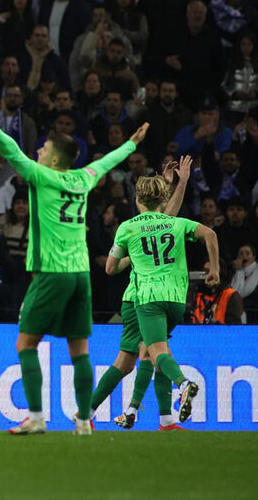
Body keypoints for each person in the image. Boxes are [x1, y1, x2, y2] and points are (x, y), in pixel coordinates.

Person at [0, 99, 149, 435]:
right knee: (79, 349)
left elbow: (11, 152)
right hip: (81, 274)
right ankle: (83, 420)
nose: (37, 151)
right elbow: (108, 161)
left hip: (52, 273)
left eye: (44, 148)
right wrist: (132, 144)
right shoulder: (84, 178)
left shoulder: (42, 176)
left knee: (25, 344)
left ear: (54, 159)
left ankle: (37, 416)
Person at [106, 175, 220, 426]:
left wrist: (130, 257)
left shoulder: (128, 227)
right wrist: (214, 270)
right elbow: (210, 234)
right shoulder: (176, 223)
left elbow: (110, 268)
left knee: (156, 354)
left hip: (148, 299)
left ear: (137, 199)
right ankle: (158, 418)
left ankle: (184, 384)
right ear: (163, 199)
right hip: (178, 299)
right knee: (153, 352)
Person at [91, 156, 191, 431]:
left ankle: (161, 418)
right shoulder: (141, 227)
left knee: (141, 358)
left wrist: (170, 183)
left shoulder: (137, 226)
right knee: (145, 356)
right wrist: (179, 183)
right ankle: (99, 412)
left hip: (141, 296)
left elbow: (165, 215)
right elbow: (167, 217)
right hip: (140, 298)